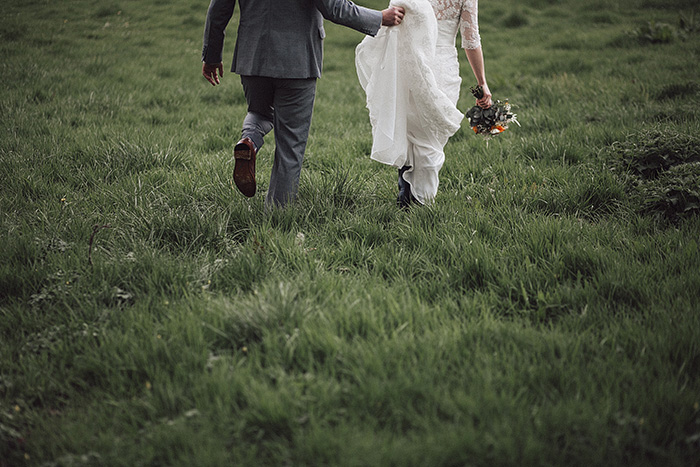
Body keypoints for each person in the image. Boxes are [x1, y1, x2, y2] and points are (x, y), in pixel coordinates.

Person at [202, 0, 405, 208]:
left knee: (259, 112)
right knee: (290, 144)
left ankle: (249, 141)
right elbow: (333, 7)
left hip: (252, 56)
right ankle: (277, 218)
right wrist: (380, 18)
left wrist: (211, 56)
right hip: (297, 60)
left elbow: (219, 9)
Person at [356, 0, 492, 208]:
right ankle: (418, 201)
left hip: (411, 61)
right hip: (440, 66)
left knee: (413, 130)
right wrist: (481, 81)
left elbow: (396, 19)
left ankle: (409, 195)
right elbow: (471, 40)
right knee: (429, 136)